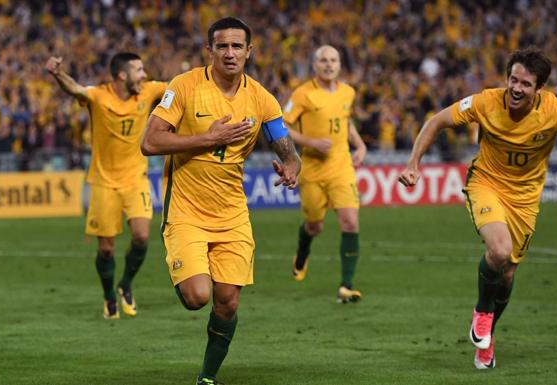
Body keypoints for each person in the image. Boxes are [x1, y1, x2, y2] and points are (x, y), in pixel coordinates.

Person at [141, 17, 301, 385]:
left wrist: (292, 167)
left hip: (232, 214)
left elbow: (286, 147)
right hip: (186, 211)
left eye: (237, 46)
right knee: (199, 296)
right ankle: (185, 275)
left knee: (227, 301)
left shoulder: (261, 98)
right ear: (209, 50)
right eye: (222, 46)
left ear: (249, 51)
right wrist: (208, 139)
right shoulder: (182, 87)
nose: (230, 53)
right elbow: (150, 143)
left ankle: (207, 378)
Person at [398, 47, 557, 369]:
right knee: (499, 252)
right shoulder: (485, 101)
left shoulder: (556, 112)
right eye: (513, 80)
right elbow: (437, 121)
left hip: (525, 199)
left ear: (539, 89)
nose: (517, 88)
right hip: (486, 184)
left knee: (506, 275)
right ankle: (482, 312)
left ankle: (487, 339)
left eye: (526, 84)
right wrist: (413, 163)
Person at [45, 53, 166, 319]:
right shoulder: (99, 96)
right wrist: (57, 74)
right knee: (106, 248)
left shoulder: (148, 91)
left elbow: (181, 86)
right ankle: (109, 295)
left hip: (136, 179)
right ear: (123, 75)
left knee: (142, 236)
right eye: (139, 70)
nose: (144, 75)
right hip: (103, 182)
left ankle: (125, 285)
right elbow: (74, 88)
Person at [284, 45, 367, 303]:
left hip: (341, 167)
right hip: (312, 168)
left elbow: (345, 122)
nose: (329, 64)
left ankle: (346, 285)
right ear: (315, 65)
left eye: (333, 60)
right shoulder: (303, 94)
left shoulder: (348, 92)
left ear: (340, 65)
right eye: (323, 60)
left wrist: (360, 144)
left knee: (350, 222)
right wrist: (311, 141)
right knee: (314, 226)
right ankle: (302, 251)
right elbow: (282, 127)